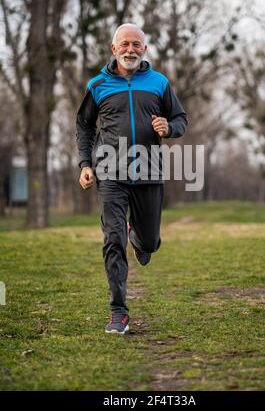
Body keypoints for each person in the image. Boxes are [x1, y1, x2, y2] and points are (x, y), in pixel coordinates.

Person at [76, 23, 187, 334]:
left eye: (136, 44)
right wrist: (86, 163)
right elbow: (84, 126)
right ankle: (118, 311)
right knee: (113, 239)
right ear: (114, 49)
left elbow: (181, 118)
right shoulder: (98, 85)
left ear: (145, 50)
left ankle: (138, 237)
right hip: (110, 172)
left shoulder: (159, 83)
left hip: (149, 170)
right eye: (124, 44)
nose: (130, 49)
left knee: (150, 241)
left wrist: (170, 127)